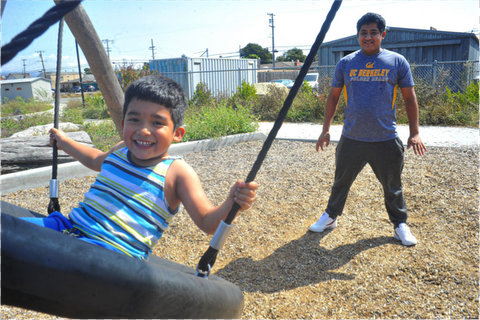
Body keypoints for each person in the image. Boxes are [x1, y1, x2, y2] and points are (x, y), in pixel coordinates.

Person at [23, 75, 258, 260]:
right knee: (11, 232)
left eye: (157, 123)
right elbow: (95, 159)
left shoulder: (176, 173)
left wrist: (232, 203)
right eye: (134, 120)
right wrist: (65, 143)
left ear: (177, 134)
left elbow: (207, 222)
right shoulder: (120, 150)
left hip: (112, 254)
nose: (144, 130)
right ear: (123, 123)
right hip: (67, 228)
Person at [308, 12, 427, 246]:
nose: (368, 37)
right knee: (341, 182)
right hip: (352, 138)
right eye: (364, 33)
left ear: (382, 35)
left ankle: (400, 224)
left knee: (393, 185)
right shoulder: (346, 63)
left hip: (386, 138)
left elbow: (410, 99)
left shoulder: (397, 62)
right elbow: (332, 98)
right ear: (357, 36)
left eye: (374, 32)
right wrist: (325, 129)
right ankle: (331, 216)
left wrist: (414, 132)